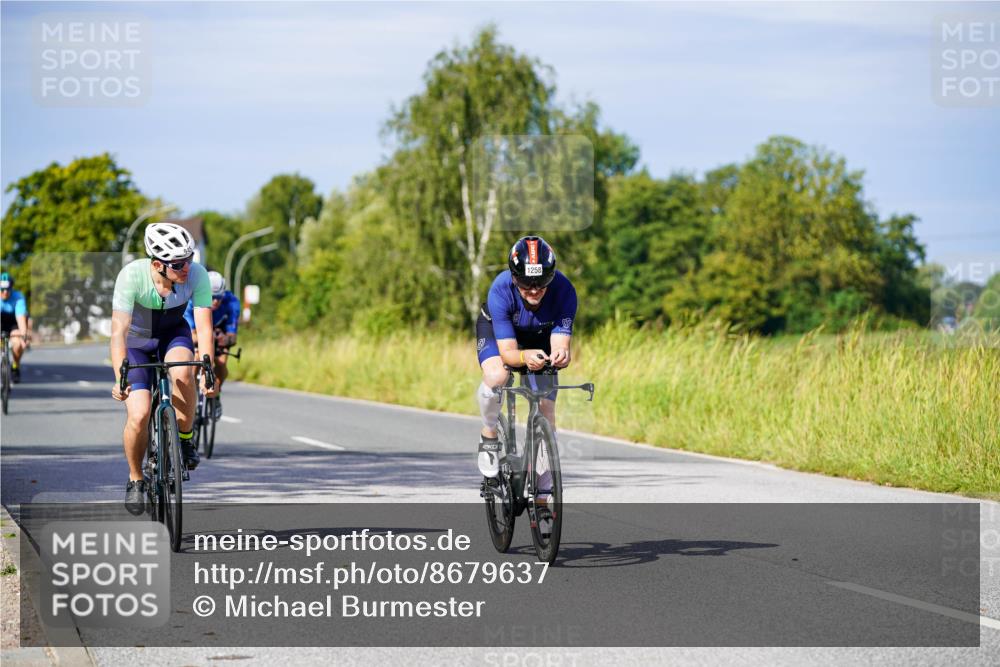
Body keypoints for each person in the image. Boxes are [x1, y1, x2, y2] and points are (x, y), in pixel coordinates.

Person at [110, 222, 216, 515]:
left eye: (190, 259)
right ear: (157, 264)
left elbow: (204, 329)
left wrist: (208, 370)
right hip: (137, 342)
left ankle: (183, 439)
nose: (187, 268)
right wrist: (119, 376)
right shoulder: (131, 276)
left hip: (173, 334)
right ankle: (135, 479)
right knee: (140, 413)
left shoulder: (197, 275)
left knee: (183, 372)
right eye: (179, 264)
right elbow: (118, 333)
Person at [475, 235, 577, 479]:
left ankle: (543, 486)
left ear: (551, 276)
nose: (533, 290)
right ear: (513, 277)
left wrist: (561, 353)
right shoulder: (500, 290)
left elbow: (560, 342)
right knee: (498, 375)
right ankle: (489, 434)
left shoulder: (564, 291)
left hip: (540, 335)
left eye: (541, 282)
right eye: (525, 282)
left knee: (546, 409)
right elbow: (509, 354)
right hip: (500, 334)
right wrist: (524, 356)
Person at [184, 270, 240, 417]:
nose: (215, 301)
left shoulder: (232, 302)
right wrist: (207, 338)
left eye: (219, 298)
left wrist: (224, 339)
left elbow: (232, 338)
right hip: (198, 333)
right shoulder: (192, 301)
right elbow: (192, 335)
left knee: (221, 363)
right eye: (212, 297)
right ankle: (194, 397)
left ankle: (216, 394)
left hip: (219, 334)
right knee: (196, 360)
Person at [0, 272, 30, 382]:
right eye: (2, 289)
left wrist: (24, 336)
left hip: (13, 322)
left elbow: (21, 319)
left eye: (7, 289)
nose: (5, 292)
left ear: (11, 288)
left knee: (17, 344)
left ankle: (15, 366)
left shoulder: (18, 297)